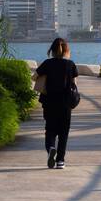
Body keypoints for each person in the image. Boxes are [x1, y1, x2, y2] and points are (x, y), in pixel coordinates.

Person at [35, 37, 79, 169]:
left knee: (50, 130)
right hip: (65, 103)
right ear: (66, 50)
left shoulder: (47, 63)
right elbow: (75, 85)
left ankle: (51, 149)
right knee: (63, 133)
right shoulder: (70, 64)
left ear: (52, 50)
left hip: (49, 103)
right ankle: (60, 161)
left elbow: (34, 76)